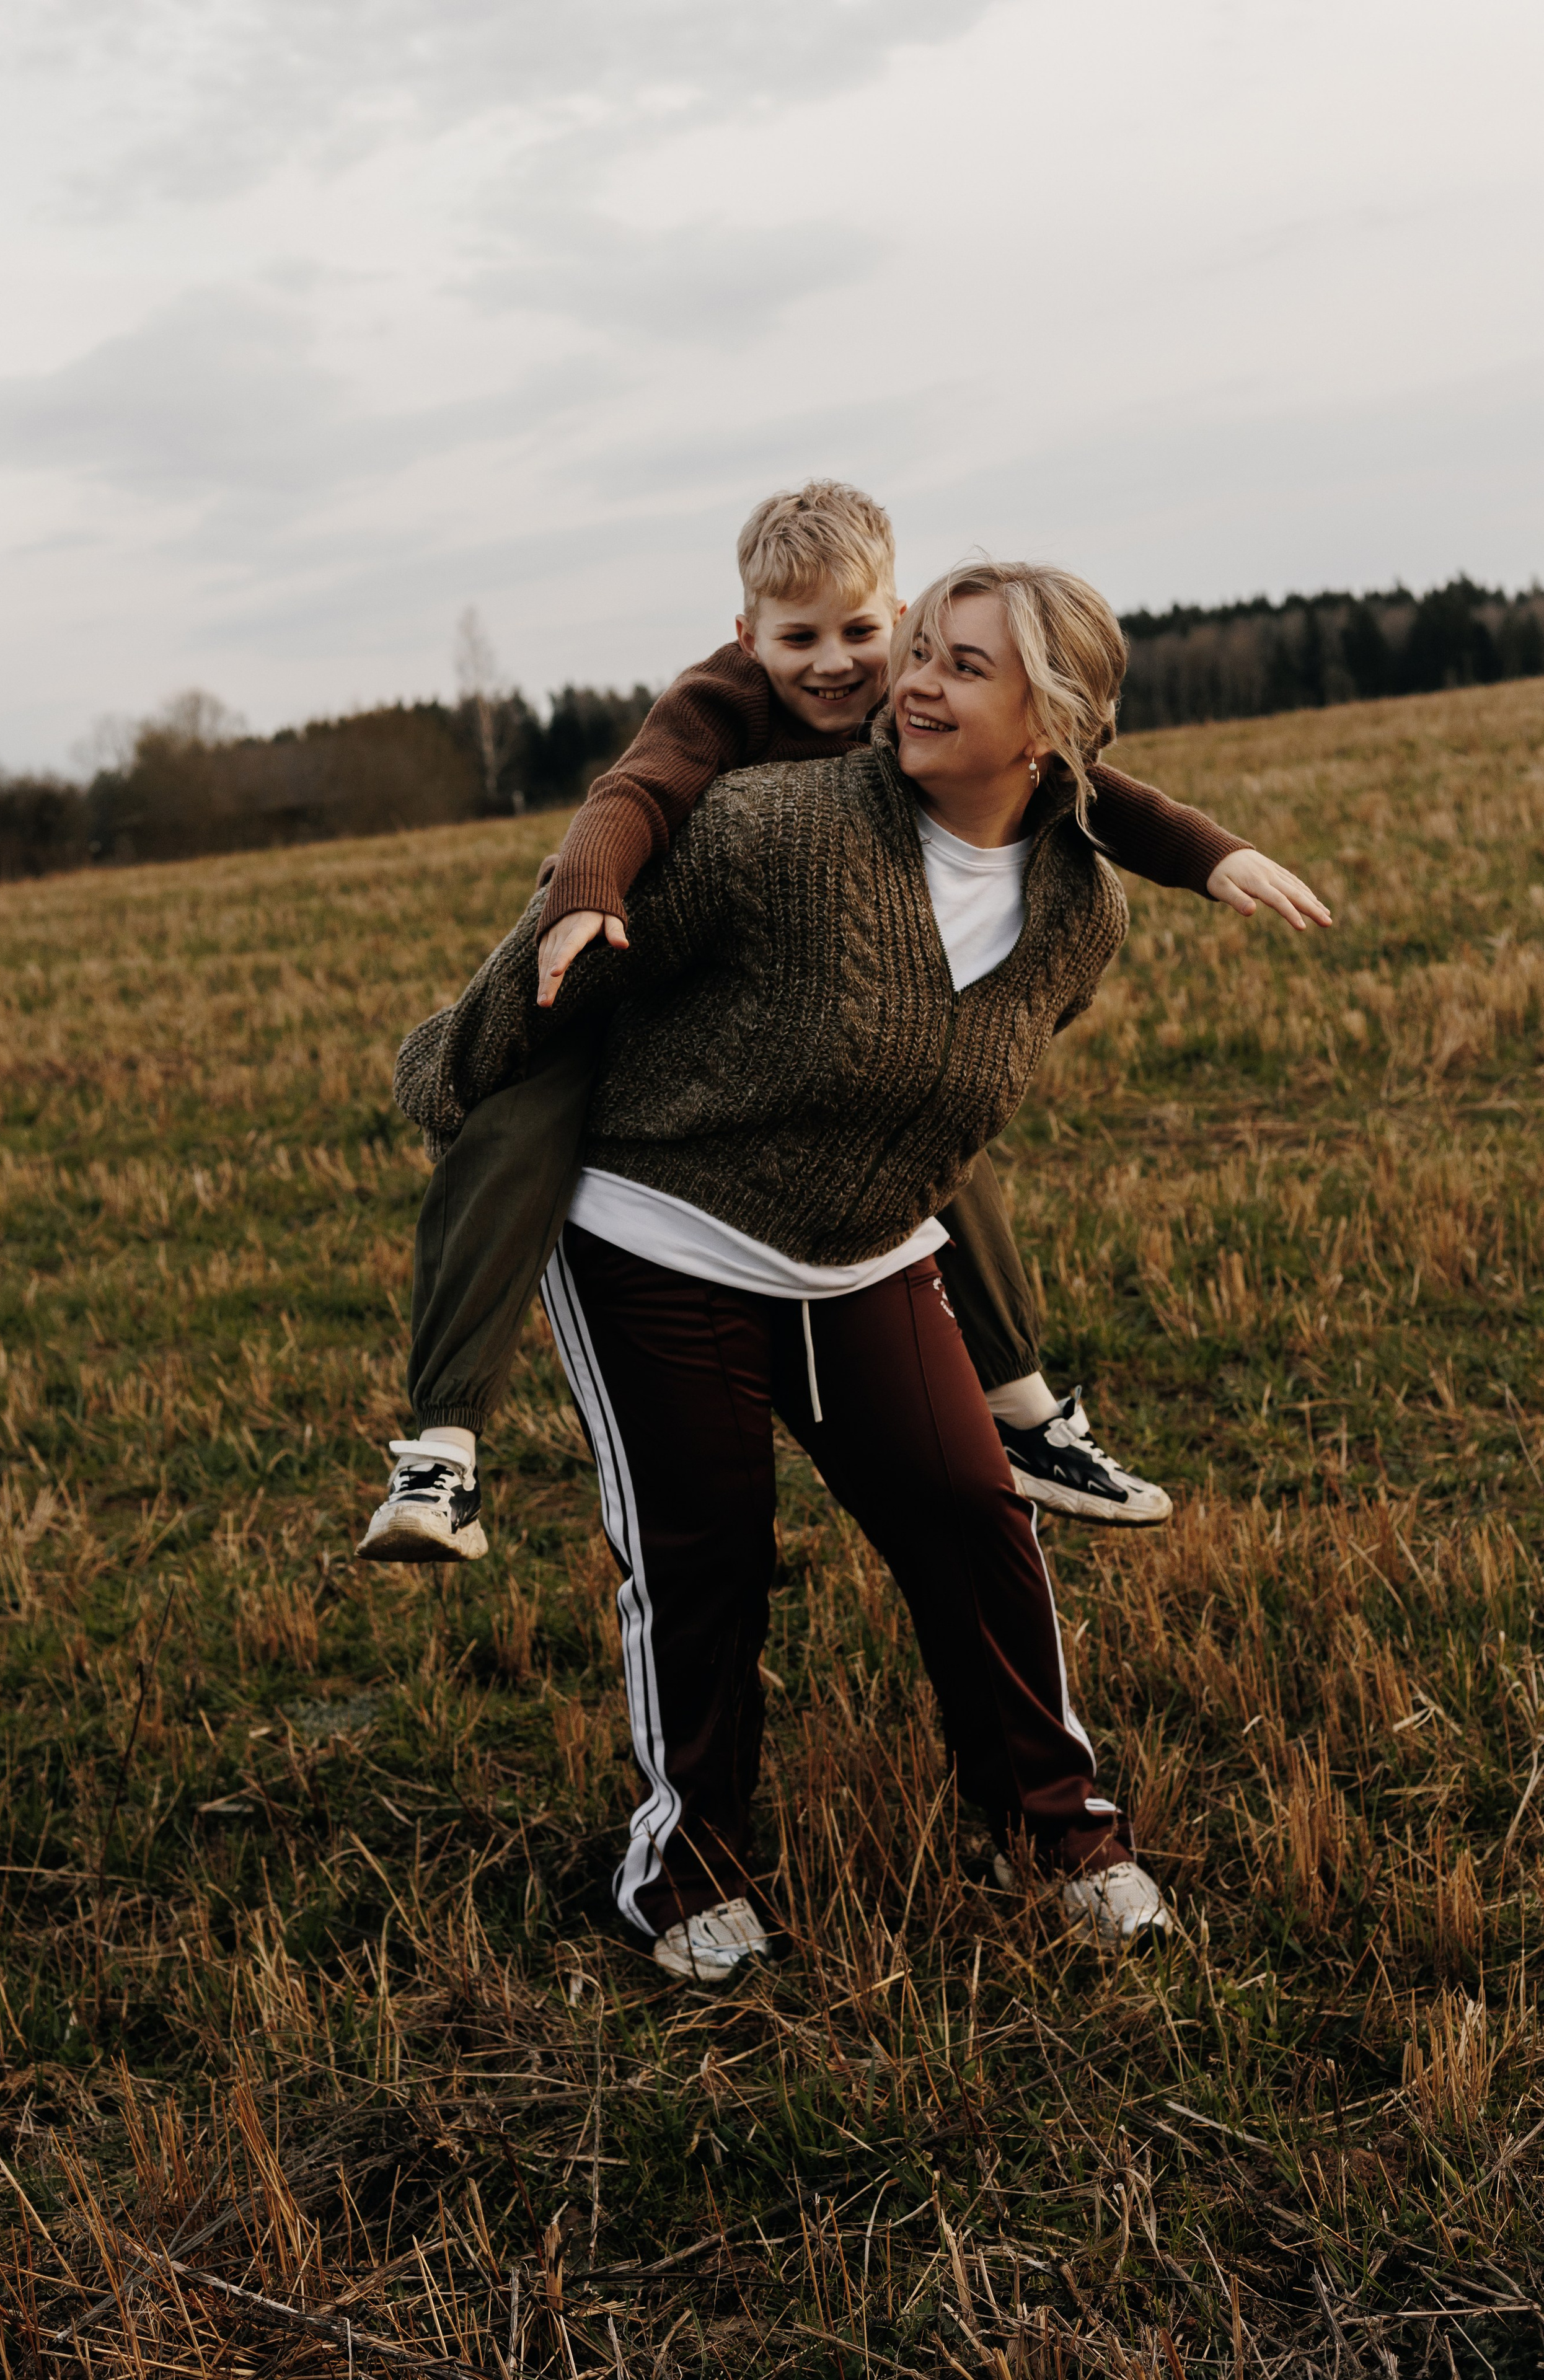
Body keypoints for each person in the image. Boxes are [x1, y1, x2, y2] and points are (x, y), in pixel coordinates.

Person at [392, 557, 1282, 1973]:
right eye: (914, 649)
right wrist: (455, 1078)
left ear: (1046, 725)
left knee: (972, 1519)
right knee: (706, 1559)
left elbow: (950, 1091)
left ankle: (1060, 1830)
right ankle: (678, 1875)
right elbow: (570, 966)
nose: (910, 680)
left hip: (865, 1257)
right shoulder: (767, 829)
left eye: (960, 664)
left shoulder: (1078, 914)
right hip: (656, 1231)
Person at [361, 485, 1328, 1567]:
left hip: (806, 991)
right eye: (797, 637)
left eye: (863, 632)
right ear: (746, 638)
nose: (834, 662)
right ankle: (442, 1447)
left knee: (932, 1107)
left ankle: (1024, 1411)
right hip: (625, 952)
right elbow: (633, 791)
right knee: (516, 1132)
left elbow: (1085, 779)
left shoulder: (900, 703)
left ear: (898, 617)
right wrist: (589, 890)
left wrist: (1213, 856)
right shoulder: (723, 700)